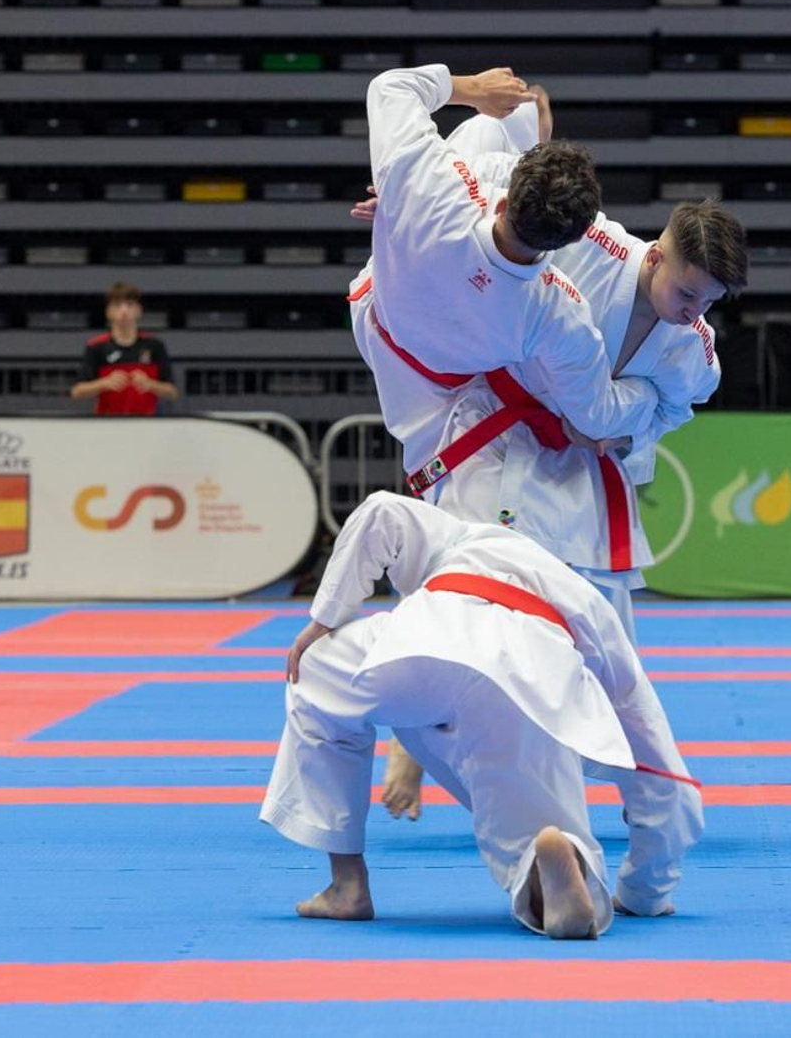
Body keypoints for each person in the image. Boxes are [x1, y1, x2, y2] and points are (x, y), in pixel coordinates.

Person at [352, 94, 750, 637]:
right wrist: (404, 204)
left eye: (708, 302)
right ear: (655, 256)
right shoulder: (592, 243)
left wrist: (622, 437)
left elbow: (674, 411)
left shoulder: (694, 352)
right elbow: (506, 190)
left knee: (593, 624)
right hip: (497, 427)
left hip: (583, 464)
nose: (693, 313)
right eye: (686, 294)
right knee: (470, 582)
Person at [261, 492, 703, 939]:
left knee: (313, 674)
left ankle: (347, 885)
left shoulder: (465, 536)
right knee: (526, 806)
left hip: (426, 645)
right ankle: (553, 862)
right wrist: (645, 892)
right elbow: (663, 777)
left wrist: (326, 618)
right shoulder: (590, 604)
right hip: (535, 671)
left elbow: (380, 510)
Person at [349, 63, 659, 473]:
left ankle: (525, 123)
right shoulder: (557, 313)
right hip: (435, 372)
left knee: (492, 123)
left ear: (502, 200)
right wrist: (647, 398)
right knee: (505, 122)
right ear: (568, 242)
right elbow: (598, 415)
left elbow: (391, 86)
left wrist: (475, 88)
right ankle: (529, 125)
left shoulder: (430, 187)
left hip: (381, 313)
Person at [70, 282, 179, 415]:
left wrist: (150, 384)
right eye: (117, 305)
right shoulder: (96, 346)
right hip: (108, 424)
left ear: (139, 310)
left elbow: (172, 392)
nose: (124, 311)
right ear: (108, 312)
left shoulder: (155, 345)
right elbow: (77, 392)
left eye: (129, 305)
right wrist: (104, 383)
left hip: (148, 424)